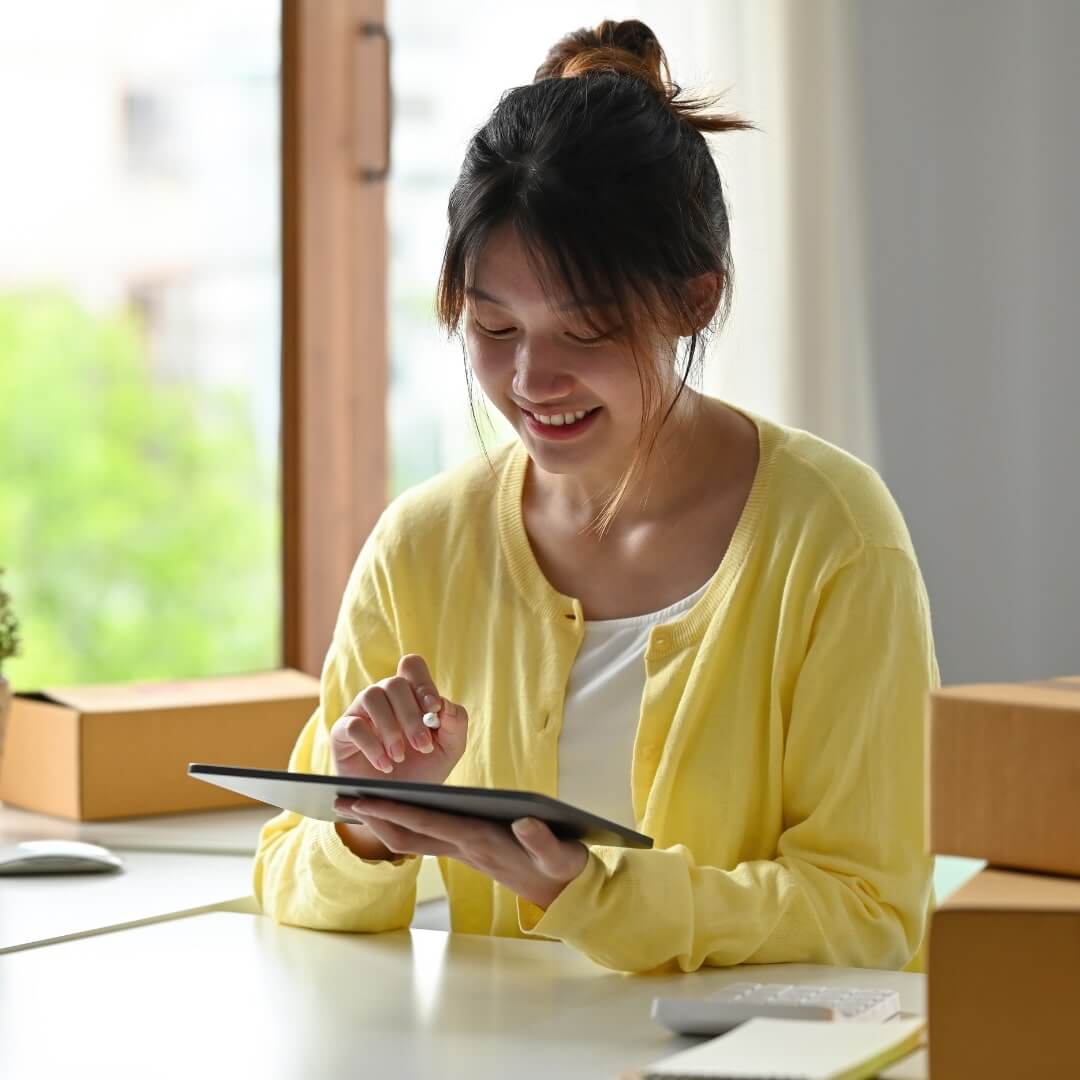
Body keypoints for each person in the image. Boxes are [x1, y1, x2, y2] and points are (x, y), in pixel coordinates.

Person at [253, 18, 938, 976]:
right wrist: (373, 824)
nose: (533, 380)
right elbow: (285, 872)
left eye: (587, 332)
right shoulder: (422, 545)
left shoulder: (833, 539)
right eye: (494, 327)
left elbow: (872, 915)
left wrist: (587, 893)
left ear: (696, 300)